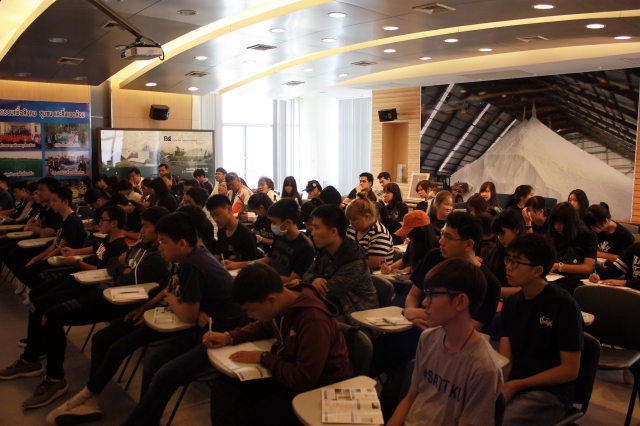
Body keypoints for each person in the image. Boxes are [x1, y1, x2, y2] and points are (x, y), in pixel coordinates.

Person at [45, 210, 243, 425]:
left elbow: (187, 312)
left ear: (182, 243)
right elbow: (178, 294)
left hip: (218, 332)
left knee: (157, 364)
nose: (160, 247)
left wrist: (173, 301)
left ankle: (138, 418)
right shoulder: (191, 256)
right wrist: (161, 304)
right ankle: (112, 406)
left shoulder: (191, 263)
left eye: (163, 242)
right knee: (133, 349)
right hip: (192, 321)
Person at [0, 206, 130, 409]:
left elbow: (103, 271)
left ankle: (52, 376)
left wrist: (76, 263)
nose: (99, 223)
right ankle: (33, 354)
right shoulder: (107, 240)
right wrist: (75, 253)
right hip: (81, 277)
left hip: (91, 284)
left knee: (49, 313)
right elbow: (94, 251)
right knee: (36, 298)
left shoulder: (120, 246)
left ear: (114, 223)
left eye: (103, 220)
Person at [205, 263, 353, 426]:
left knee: (258, 412)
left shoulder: (314, 321)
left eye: (252, 310)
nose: (250, 315)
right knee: (224, 385)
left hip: (321, 387)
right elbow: (265, 325)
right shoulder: (284, 298)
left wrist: (263, 357)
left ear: (272, 300)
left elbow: (304, 379)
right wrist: (230, 337)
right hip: (291, 369)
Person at [388, 259, 504, 426]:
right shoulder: (428, 338)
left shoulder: (483, 367)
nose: (424, 302)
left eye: (433, 295)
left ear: (460, 302)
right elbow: (411, 397)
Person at [500, 233, 583, 426]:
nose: (508, 266)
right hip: (515, 382)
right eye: (508, 259)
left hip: (550, 392)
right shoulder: (511, 303)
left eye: (516, 262)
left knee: (499, 421)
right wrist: (499, 387)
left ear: (537, 271)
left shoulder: (564, 305)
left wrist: (516, 385)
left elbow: (570, 370)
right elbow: (506, 360)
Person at [302, 204, 379, 337]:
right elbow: (307, 274)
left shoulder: (353, 259)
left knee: (309, 323)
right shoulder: (325, 249)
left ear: (333, 232)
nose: (312, 233)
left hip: (356, 317)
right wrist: (314, 279)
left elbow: (327, 292)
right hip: (333, 307)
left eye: (317, 228)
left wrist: (302, 285)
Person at [15, 187, 86, 298]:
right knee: (21, 266)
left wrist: (42, 260)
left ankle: (42, 292)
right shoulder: (62, 218)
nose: (51, 204)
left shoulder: (72, 220)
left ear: (65, 202)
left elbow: (60, 248)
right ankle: (40, 292)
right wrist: (36, 259)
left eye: (54, 201)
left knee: (23, 272)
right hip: (55, 253)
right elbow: (54, 244)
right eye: (51, 200)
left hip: (64, 257)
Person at [224, 199, 315, 283]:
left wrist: (260, 276)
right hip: (270, 282)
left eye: (274, 222)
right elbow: (267, 260)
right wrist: (237, 265)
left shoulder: (305, 247)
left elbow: (292, 280)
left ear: (287, 222)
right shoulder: (280, 236)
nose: (272, 225)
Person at [548, 202, 597, 294]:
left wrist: (559, 266)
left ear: (571, 221)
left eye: (560, 223)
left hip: (575, 282)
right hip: (554, 279)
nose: (557, 227)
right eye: (554, 223)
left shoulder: (588, 236)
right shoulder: (554, 236)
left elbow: (588, 268)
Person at [345, 194, 394, 270]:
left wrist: (346, 259)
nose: (351, 222)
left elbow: (371, 265)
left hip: (373, 274)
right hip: (355, 270)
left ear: (366, 217)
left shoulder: (379, 234)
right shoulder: (352, 228)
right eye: (349, 219)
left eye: (354, 219)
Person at [381, 210, 438, 276]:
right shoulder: (416, 241)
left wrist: (404, 270)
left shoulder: (439, 245)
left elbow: (426, 269)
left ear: (421, 230)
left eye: (411, 236)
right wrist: (390, 268)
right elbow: (404, 261)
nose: (410, 239)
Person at [483, 210, 526, 296]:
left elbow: (524, 290)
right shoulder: (496, 251)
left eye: (502, 233)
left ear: (516, 229)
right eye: (498, 235)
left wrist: (493, 291)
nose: (500, 238)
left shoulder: (526, 253)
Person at [207, 194, 257, 262]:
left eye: (217, 214)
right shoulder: (221, 232)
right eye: (213, 216)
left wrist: (234, 265)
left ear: (229, 209)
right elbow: (217, 256)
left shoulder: (246, 234)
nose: (215, 219)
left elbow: (253, 263)